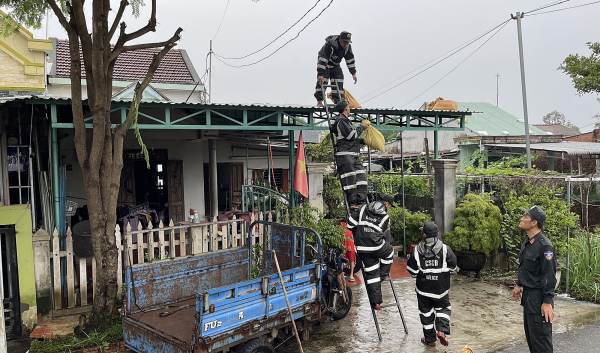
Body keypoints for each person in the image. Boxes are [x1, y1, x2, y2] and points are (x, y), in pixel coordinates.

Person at [511, 205, 556, 353]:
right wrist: (519, 285)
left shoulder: (545, 246)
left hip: (539, 298)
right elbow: (524, 266)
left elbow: (549, 275)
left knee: (541, 342)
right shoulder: (528, 242)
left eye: (525, 217)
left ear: (534, 222)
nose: (521, 218)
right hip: (529, 297)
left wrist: (547, 302)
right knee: (532, 339)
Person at [406, 221, 457, 347]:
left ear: (424, 235)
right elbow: (453, 267)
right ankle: (441, 330)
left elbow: (412, 271)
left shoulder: (416, 251)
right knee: (443, 309)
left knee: (426, 313)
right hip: (441, 289)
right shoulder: (445, 249)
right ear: (437, 234)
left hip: (423, 290)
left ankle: (430, 339)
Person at [347, 194, 395, 310]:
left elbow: (350, 225)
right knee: (389, 252)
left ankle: (376, 303)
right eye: (389, 206)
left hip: (362, 248)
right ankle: (382, 275)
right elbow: (381, 233)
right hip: (376, 246)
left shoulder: (362, 208)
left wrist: (359, 232)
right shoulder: (385, 216)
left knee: (371, 273)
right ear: (386, 204)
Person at [331, 100, 369, 208]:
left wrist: (362, 141)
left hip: (353, 154)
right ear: (346, 108)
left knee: (361, 177)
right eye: (348, 107)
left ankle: (361, 201)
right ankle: (352, 203)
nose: (350, 108)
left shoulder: (346, 121)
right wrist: (362, 127)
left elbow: (351, 138)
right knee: (350, 179)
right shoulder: (341, 121)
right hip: (345, 155)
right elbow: (351, 136)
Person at [314, 31, 357, 107]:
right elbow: (322, 59)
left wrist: (353, 73)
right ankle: (319, 101)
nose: (346, 44)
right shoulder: (329, 45)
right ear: (340, 39)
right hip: (325, 64)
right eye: (344, 42)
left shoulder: (348, 48)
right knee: (322, 81)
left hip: (335, 65)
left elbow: (350, 60)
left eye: (347, 43)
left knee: (339, 80)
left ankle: (338, 102)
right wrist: (320, 74)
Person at [340, 216, 356, 281]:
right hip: (343, 245)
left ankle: (351, 275)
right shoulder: (342, 224)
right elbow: (339, 233)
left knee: (351, 261)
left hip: (351, 245)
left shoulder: (353, 225)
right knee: (342, 261)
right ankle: (342, 274)